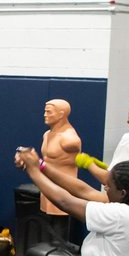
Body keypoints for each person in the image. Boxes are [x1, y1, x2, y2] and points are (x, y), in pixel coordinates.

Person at [39, 99, 82, 237]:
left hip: (63, 188)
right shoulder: (47, 134)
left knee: (59, 228)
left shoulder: (70, 140)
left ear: (61, 114)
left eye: (49, 112)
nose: (45, 114)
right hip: (47, 185)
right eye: (45, 111)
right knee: (48, 227)